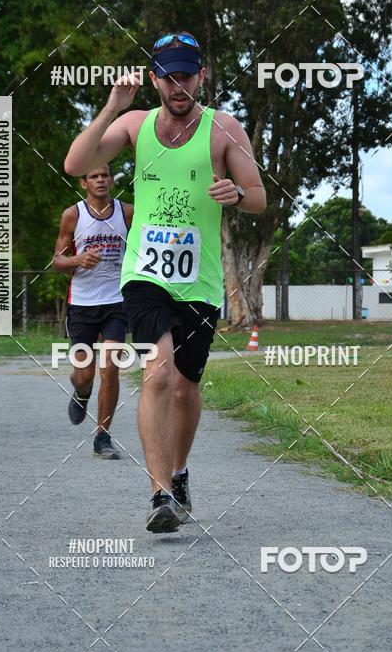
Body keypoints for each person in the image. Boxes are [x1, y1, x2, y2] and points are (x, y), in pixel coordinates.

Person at [64, 33, 266, 532]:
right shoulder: (135, 125)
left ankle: (179, 473)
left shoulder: (224, 128)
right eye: (169, 76)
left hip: (200, 281)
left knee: (185, 389)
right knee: (157, 373)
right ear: (154, 79)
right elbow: (75, 164)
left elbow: (259, 197)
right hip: (145, 274)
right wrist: (112, 106)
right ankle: (159, 494)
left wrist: (237, 194)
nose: (179, 86)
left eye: (187, 76)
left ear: (201, 76)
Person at [53, 164, 133, 459]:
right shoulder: (73, 215)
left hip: (116, 301)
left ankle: (103, 436)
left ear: (111, 180)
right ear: (84, 183)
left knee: (110, 367)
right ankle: (81, 392)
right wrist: (78, 260)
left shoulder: (128, 213)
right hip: (82, 303)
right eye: (93, 176)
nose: (100, 180)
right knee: (84, 375)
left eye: (104, 175)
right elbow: (57, 261)